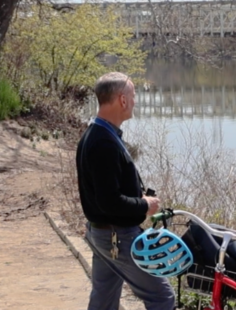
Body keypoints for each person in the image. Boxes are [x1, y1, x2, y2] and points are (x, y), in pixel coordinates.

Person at [75, 72, 176, 310]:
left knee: (104, 299)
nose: (136, 101)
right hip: (117, 237)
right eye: (133, 95)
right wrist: (145, 205)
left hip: (103, 234)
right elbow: (109, 201)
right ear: (122, 100)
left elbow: (105, 194)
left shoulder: (97, 133)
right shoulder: (103, 142)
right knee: (162, 297)